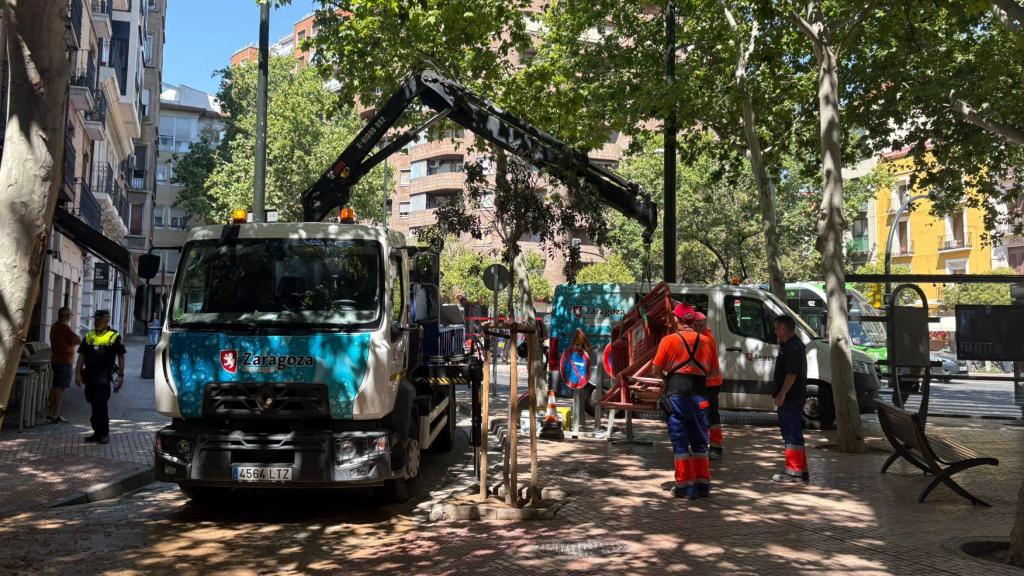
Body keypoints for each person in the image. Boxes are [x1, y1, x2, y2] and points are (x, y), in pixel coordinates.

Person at [652, 302, 721, 499]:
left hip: (677, 398)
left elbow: (656, 370)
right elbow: (714, 371)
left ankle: (684, 485)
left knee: (680, 442)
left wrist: (669, 375)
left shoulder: (669, 341)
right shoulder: (707, 341)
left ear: (677, 319)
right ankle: (702, 484)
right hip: (700, 397)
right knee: (700, 441)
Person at [75, 310, 126, 444]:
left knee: (101, 405)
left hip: (104, 376)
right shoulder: (89, 335)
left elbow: (121, 356)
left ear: (106, 320)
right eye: (95, 319)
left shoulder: (114, 336)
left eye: (99, 319)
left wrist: (121, 376)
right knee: (92, 403)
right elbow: (81, 356)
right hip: (90, 376)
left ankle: (103, 433)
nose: (96, 322)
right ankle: (97, 432)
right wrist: (78, 374)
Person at [771, 315, 809, 483]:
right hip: (793, 396)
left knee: (791, 433)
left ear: (783, 329)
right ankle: (801, 469)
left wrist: (782, 394)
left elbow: (791, 374)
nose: (774, 332)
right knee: (794, 432)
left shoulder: (793, 347)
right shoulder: (790, 345)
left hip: (791, 397)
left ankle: (794, 473)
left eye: (776, 328)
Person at [695, 312, 724, 460]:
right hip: (709, 381)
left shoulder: (707, 339)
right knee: (708, 414)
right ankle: (712, 445)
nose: (700, 327)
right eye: (697, 325)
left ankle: (715, 446)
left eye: (702, 324)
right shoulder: (704, 337)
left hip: (710, 382)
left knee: (711, 414)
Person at [48, 307, 81, 423]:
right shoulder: (64, 328)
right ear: (66, 316)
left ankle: (52, 412)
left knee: (55, 385)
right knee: (60, 387)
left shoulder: (55, 327)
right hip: (64, 360)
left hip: (56, 359)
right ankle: (55, 414)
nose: (71, 317)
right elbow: (78, 340)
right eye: (70, 315)